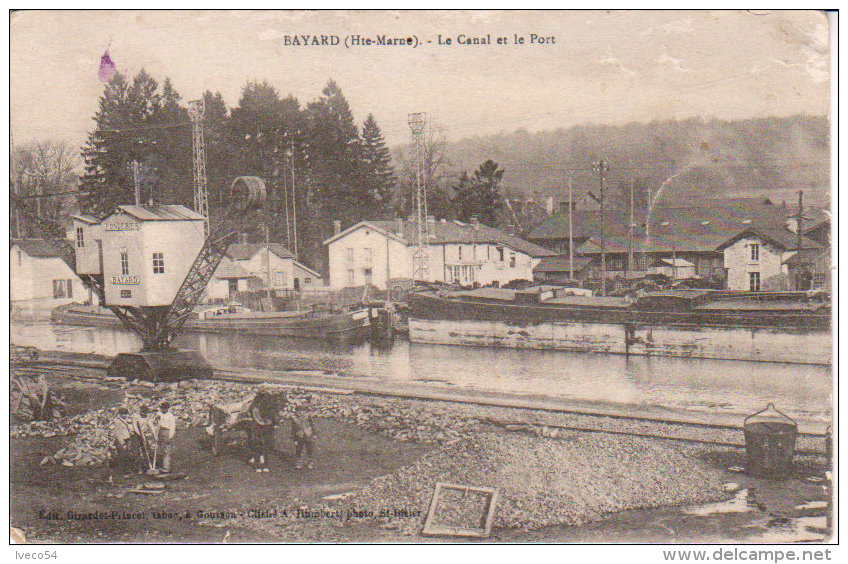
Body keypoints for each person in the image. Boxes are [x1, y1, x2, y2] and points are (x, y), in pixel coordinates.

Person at [289, 403, 317, 469]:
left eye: (302, 411)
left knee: (309, 449)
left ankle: (309, 462)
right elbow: (293, 429)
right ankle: (299, 462)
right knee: (299, 449)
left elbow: (312, 425)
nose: (300, 413)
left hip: (308, 434)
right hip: (299, 435)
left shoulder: (308, 417)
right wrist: (294, 439)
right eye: (298, 411)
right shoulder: (294, 418)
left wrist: (314, 434)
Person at [153, 402, 177, 473]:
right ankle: (162, 465)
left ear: (167, 408)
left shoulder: (170, 416)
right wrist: (155, 419)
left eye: (165, 408)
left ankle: (166, 467)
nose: (163, 410)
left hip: (167, 432)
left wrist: (170, 436)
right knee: (161, 449)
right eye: (162, 408)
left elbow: (173, 426)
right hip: (160, 431)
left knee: (167, 450)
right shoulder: (159, 414)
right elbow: (154, 423)